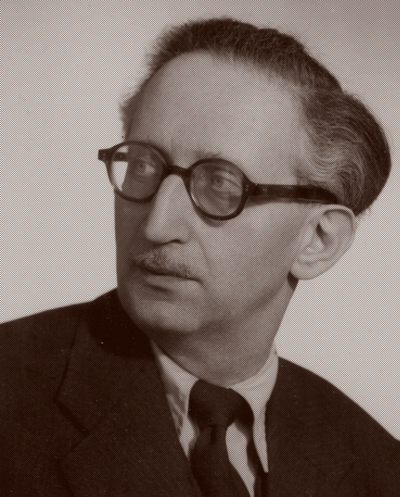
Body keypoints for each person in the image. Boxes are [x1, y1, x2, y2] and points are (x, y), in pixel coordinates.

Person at [1, 17, 399, 497]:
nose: (156, 225)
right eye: (143, 164)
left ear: (318, 239)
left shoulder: (381, 470)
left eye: (221, 184)